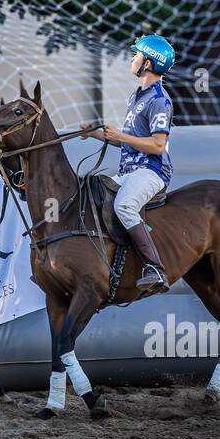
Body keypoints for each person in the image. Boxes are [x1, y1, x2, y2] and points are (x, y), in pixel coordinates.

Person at [82, 34, 176, 294]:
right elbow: (128, 142)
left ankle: (154, 268)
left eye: (136, 55)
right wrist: (96, 134)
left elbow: (157, 145)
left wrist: (121, 135)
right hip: (128, 172)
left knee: (124, 205)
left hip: (151, 172)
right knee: (94, 194)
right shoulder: (136, 96)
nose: (132, 58)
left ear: (148, 63)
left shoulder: (160, 99)